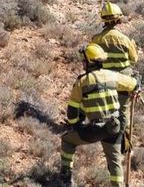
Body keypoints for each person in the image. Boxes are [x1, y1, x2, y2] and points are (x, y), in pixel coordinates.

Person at [59, 43, 139, 187]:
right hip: (114, 127)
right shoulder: (112, 75)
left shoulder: (82, 82)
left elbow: (72, 112)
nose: (83, 63)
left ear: (89, 62)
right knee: (115, 162)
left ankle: (66, 177)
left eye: (84, 60)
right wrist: (137, 84)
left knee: (67, 141)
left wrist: (76, 126)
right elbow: (133, 84)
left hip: (95, 129)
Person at [90, 2, 139, 74]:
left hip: (103, 78)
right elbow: (134, 59)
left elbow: (91, 60)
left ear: (103, 20)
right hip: (123, 79)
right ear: (119, 20)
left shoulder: (95, 40)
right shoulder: (125, 40)